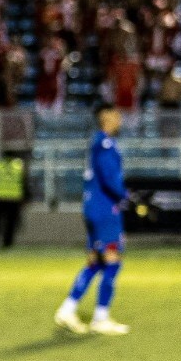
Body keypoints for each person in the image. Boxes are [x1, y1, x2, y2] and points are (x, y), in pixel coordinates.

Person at [55, 105, 131, 336]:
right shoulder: (106, 144)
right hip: (105, 209)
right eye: (117, 115)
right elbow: (110, 179)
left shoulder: (97, 143)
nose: (120, 120)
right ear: (106, 117)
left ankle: (68, 309)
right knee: (113, 260)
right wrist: (127, 197)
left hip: (93, 207)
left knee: (95, 262)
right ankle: (101, 317)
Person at [0, 150, 30, 250]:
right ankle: (7, 244)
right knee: (10, 224)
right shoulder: (19, 165)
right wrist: (26, 197)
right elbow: (24, 183)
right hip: (14, 198)